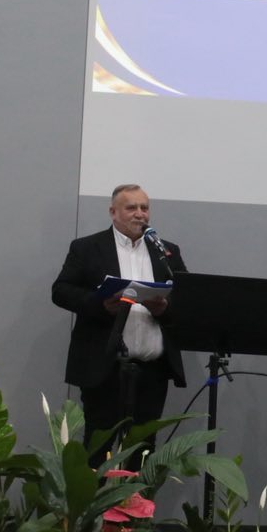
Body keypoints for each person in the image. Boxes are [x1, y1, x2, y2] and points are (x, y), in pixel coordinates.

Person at [50, 184, 188, 457]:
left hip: (152, 370)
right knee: (97, 448)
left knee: (143, 449)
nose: (140, 214)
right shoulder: (88, 248)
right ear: (113, 212)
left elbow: (186, 298)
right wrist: (100, 304)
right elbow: (61, 291)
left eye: (144, 208)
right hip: (104, 367)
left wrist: (164, 309)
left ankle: (138, 488)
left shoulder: (166, 251)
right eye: (131, 208)